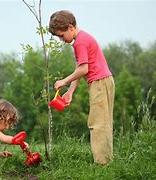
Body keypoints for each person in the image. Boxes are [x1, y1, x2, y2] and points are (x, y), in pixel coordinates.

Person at [49, 10, 115, 165]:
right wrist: (71, 90)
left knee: (98, 123)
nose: (61, 40)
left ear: (71, 27)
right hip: (101, 81)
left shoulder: (80, 42)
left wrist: (64, 81)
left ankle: (103, 163)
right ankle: (105, 161)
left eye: (61, 35)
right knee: (102, 121)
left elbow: (84, 70)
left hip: (100, 82)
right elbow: (80, 67)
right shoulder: (81, 39)